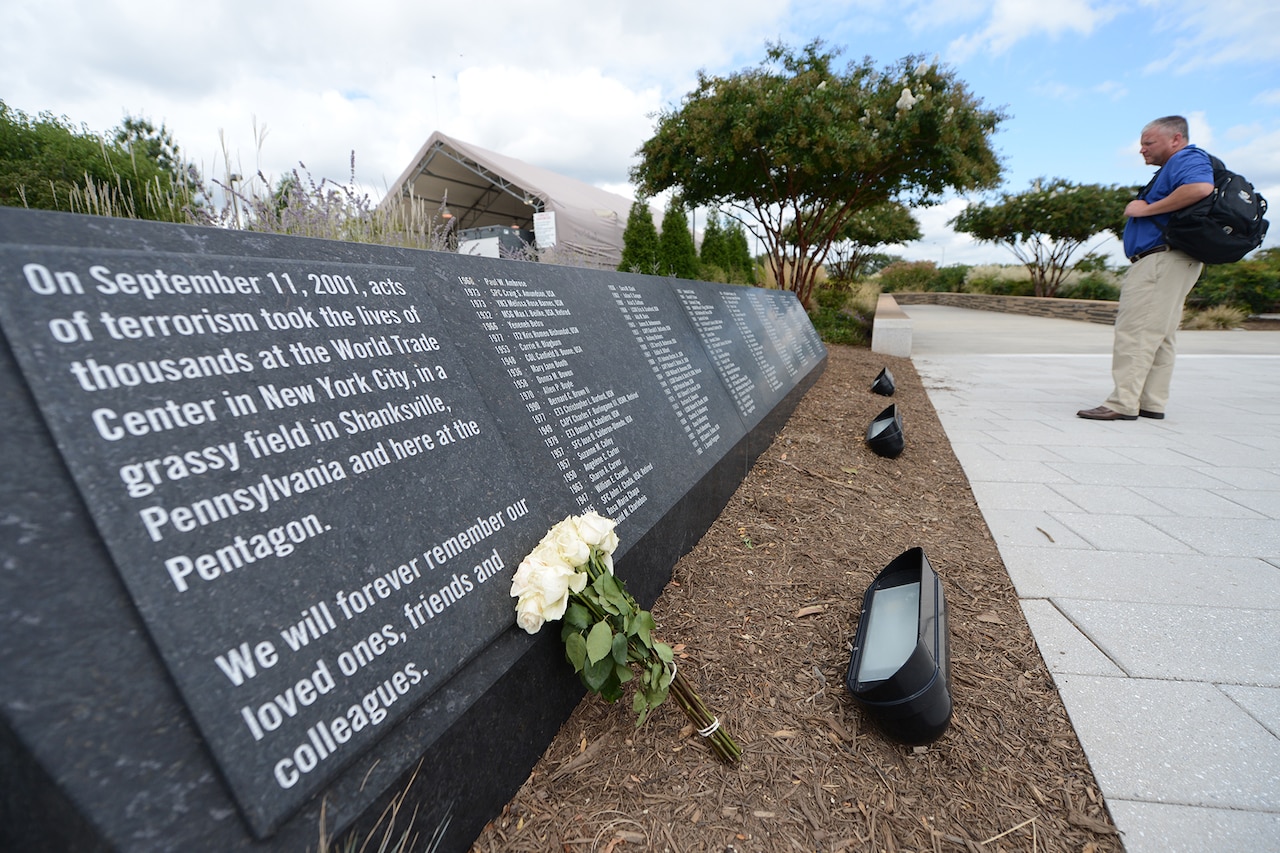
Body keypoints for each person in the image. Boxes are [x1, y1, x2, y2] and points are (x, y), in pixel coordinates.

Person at [1077, 115, 1214, 421]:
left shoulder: (1187, 158)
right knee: (1160, 334)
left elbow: (1200, 188)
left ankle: (1122, 403)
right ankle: (1151, 401)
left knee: (1136, 331)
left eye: (1149, 143)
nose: (1142, 150)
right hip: (1174, 259)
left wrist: (1147, 209)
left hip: (1161, 259)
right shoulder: (1175, 165)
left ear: (1176, 139)